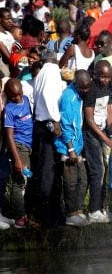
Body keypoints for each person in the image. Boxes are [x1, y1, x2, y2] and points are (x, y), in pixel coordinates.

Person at [83, 60, 112, 223]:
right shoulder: (92, 90)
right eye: (102, 76)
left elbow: (109, 113)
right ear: (96, 74)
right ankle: (93, 210)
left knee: (105, 170)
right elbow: (89, 119)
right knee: (97, 170)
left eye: (108, 77)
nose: (105, 80)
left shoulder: (109, 88)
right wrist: (106, 139)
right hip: (91, 134)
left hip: (103, 131)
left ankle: (102, 208)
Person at [31, 50, 66, 227]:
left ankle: (48, 212)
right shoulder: (51, 70)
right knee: (48, 171)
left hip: (41, 125)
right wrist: (56, 120)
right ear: (54, 59)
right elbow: (48, 96)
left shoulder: (42, 73)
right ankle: (46, 215)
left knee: (46, 170)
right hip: (49, 125)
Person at [56, 70, 90, 227]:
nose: (86, 91)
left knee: (82, 179)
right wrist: (71, 150)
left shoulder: (79, 95)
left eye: (87, 87)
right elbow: (65, 126)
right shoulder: (68, 98)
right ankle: (71, 214)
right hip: (67, 148)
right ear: (76, 83)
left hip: (77, 146)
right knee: (70, 181)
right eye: (83, 88)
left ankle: (77, 210)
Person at [3, 79, 35, 228]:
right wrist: (16, 159)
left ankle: (26, 214)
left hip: (29, 145)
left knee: (27, 181)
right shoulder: (9, 109)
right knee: (19, 182)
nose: (18, 98)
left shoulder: (27, 100)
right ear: (8, 95)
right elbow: (9, 135)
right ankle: (20, 218)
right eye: (14, 96)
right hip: (19, 146)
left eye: (19, 94)